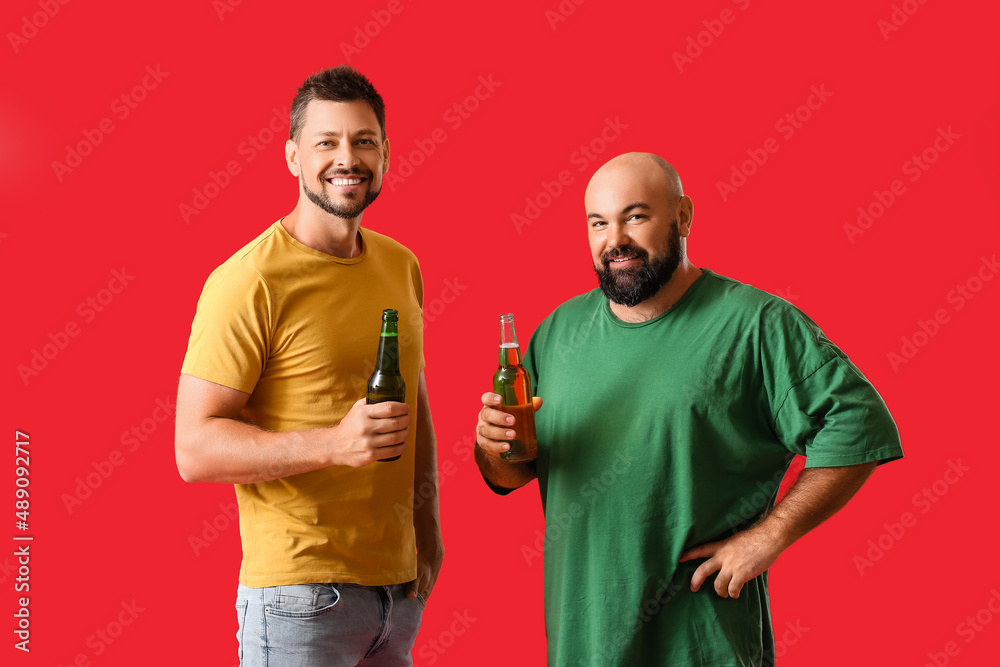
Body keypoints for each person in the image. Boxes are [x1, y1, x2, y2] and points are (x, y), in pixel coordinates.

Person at [475, 152, 902, 666]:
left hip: (702, 646)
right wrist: (490, 445)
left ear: (683, 217)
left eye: (635, 216)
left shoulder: (756, 324)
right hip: (581, 643)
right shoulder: (557, 333)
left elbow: (859, 423)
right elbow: (509, 473)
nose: (615, 242)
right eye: (598, 223)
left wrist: (771, 535)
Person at [175, 65, 442, 666]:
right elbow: (193, 449)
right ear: (293, 156)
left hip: (397, 594)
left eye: (363, 141)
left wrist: (428, 530)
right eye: (327, 142)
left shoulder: (401, 266)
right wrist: (332, 445)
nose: (347, 158)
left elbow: (414, 401)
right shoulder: (249, 281)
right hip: (297, 596)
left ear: (386, 154)